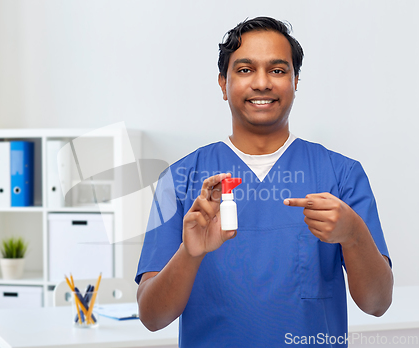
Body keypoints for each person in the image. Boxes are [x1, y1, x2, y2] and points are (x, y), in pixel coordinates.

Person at [135, 17, 393, 347]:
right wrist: (190, 252)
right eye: (244, 70)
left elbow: (377, 303)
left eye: (277, 70)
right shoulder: (180, 180)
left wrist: (354, 234)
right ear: (222, 83)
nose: (262, 83)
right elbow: (152, 318)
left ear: (295, 80)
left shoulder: (341, 176)